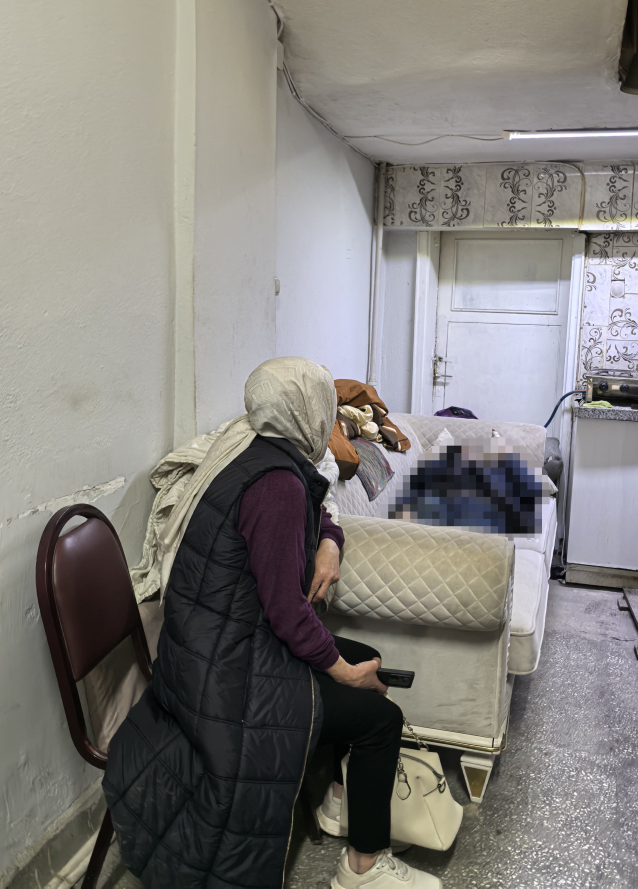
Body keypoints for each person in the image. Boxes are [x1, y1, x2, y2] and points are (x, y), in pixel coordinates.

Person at [103, 357, 441, 889]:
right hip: (229, 678)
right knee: (381, 718)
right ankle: (362, 868)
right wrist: (343, 673)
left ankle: (341, 803)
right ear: (307, 411)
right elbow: (286, 611)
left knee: (361, 658)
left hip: (205, 647)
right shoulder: (278, 485)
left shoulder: (250, 449)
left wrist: (330, 542)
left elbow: (315, 513)